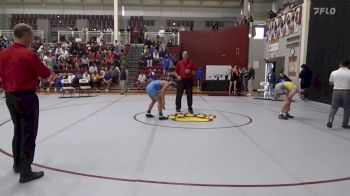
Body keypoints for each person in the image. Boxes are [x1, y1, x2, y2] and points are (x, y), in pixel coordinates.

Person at [0, 23, 52, 183]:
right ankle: (26, 171)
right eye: (31, 35)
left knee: (18, 131)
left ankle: (17, 164)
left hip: (10, 97)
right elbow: (44, 73)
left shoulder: (3, 54)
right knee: (28, 134)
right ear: (26, 35)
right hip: (27, 98)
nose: (32, 38)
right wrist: (49, 73)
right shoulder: (28, 54)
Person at [327, 60, 350, 129]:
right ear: (348, 65)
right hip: (347, 92)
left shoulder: (334, 72)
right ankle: (344, 124)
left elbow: (330, 83)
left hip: (336, 91)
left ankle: (330, 121)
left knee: (334, 107)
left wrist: (337, 83)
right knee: (347, 109)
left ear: (340, 64)